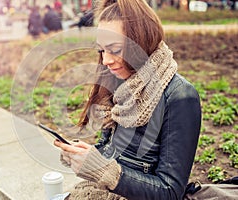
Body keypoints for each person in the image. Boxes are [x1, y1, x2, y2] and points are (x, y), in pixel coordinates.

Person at [54, 0, 202, 199]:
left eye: (114, 49)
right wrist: (82, 155)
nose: (105, 60)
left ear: (141, 41)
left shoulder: (180, 96)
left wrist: (103, 171)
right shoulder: (118, 81)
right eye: (102, 51)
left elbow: (170, 191)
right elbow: (110, 150)